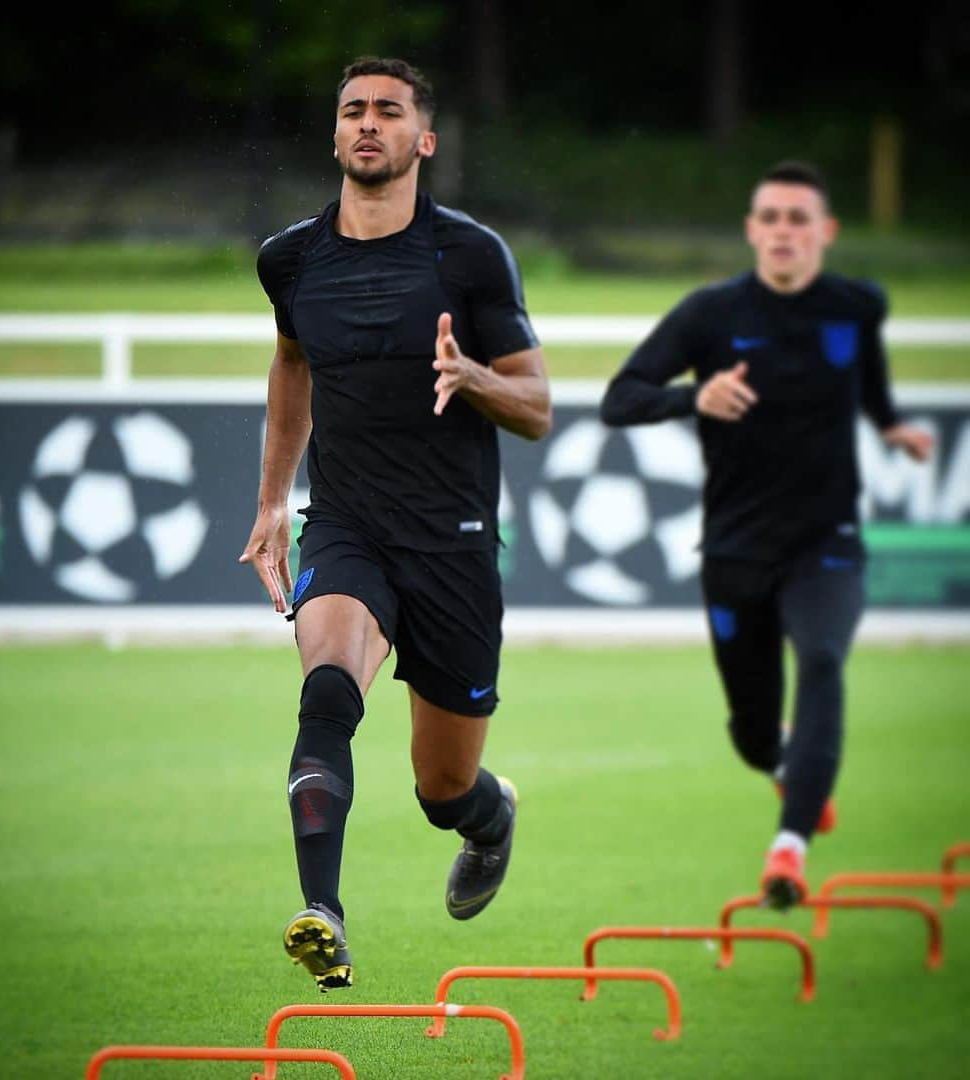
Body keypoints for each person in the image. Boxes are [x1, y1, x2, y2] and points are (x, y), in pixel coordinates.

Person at [239, 56, 551, 990]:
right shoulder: (289, 259)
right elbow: (292, 363)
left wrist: (475, 379)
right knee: (328, 690)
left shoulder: (470, 256)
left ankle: (489, 818)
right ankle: (320, 913)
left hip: (453, 542)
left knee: (440, 789)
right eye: (352, 111)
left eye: (388, 110)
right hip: (346, 525)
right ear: (336, 136)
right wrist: (271, 501)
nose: (368, 123)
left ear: (425, 139)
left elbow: (536, 406)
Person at [600, 161, 933, 909]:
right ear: (753, 230)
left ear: (826, 232)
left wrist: (892, 427)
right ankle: (783, 761)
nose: (784, 231)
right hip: (733, 550)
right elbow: (621, 399)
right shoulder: (709, 314)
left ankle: (789, 848)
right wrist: (696, 397)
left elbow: (868, 385)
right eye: (771, 218)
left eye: (798, 218)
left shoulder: (858, 306)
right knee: (752, 733)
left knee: (822, 659)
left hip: (828, 541)